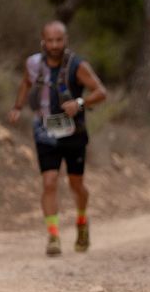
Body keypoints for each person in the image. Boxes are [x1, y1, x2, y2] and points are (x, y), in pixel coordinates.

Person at [8, 21, 107, 256]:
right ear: (43, 41)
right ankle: (53, 235)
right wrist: (17, 106)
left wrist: (80, 103)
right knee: (49, 182)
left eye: (58, 40)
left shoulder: (78, 65)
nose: (54, 45)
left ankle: (82, 222)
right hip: (44, 131)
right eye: (50, 40)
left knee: (76, 185)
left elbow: (101, 92)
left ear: (66, 40)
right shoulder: (33, 64)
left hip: (74, 133)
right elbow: (26, 83)